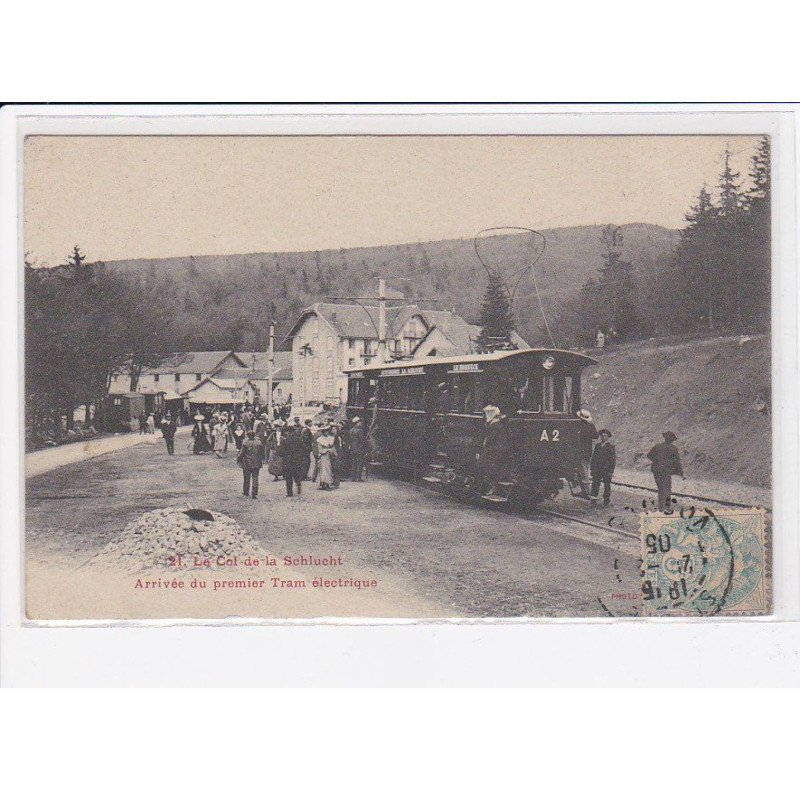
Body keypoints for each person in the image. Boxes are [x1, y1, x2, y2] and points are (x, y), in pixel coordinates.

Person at [647, 431, 685, 513]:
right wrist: (681, 473)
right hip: (666, 471)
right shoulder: (673, 448)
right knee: (667, 489)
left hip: (657, 471)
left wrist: (656, 460)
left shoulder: (658, 446)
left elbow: (649, 455)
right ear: (672, 440)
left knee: (660, 489)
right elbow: (677, 462)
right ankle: (666, 507)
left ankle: (661, 507)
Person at [480, 404, 511, 499]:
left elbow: (489, 441)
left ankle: (493, 486)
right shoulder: (498, 424)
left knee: (485, 461)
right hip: (500, 448)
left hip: (496, 449)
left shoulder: (494, 426)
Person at [278, 423, 308, 497]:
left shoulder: (285, 441)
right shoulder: (299, 439)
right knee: (297, 475)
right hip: (297, 461)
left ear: (287, 432)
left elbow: (280, 453)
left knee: (288, 477)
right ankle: (298, 485)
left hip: (287, 462)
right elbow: (304, 449)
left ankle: (289, 493)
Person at [589, 429, 616, 507]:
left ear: (608, 437)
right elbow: (593, 458)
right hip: (597, 470)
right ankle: (593, 501)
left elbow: (613, 461)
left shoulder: (611, 447)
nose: (603, 437)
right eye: (602, 436)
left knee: (607, 486)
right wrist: (592, 469)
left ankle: (606, 501)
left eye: (605, 436)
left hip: (606, 470)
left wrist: (611, 471)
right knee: (595, 485)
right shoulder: (597, 446)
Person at [576, 409, 598, 498]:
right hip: (588, 451)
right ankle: (584, 491)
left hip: (579, 451)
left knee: (583, 471)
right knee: (585, 470)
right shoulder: (591, 426)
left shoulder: (578, 426)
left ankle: (587, 492)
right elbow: (596, 436)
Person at [237, 430, 263, 499]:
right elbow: (262, 452)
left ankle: (246, 492)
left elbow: (242, 453)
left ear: (248, 436)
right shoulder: (259, 442)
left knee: (246, 478)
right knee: (255, 477)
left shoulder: (245, 443)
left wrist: (238, 459)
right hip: (257, 462)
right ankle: (254, 493)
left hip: (247, 463)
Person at [348, 416, 370, 481]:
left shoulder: (351, 430)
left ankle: (353, 478)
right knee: (360, 463)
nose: (360, 423)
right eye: (359, 422)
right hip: (359, 449)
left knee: (353, 463)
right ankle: (359, 478)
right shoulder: (360, 431)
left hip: (353, 448)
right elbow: (362, 440)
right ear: (357, 423)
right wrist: (366, 443)